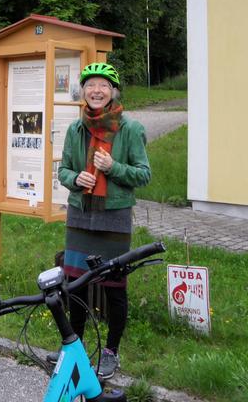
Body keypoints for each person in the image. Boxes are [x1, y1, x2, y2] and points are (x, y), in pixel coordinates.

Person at [56, 62, 151, 379]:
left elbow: (143, 174)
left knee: (114, 288)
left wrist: (113, 167)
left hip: (114, 218)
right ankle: (75, 348)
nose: (96, 91)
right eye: (90, 85)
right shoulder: (75, 129)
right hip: (80, 217)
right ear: (82, 91)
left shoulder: (131, 129)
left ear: (113, 92)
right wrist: (75, 179)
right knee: (76, 286)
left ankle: (111, 352)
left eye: (104, 86)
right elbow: (63, 171)